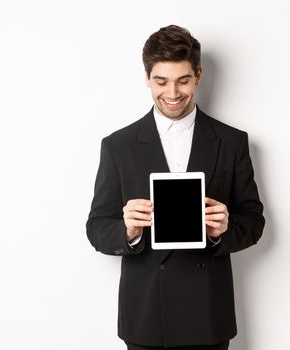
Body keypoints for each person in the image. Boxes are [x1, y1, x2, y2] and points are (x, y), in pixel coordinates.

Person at [86, 25, 265, 350]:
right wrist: (127, 230)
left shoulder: (232, 141)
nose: (172, 92)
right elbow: (96, 228)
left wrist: (223, 230)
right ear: (147, 77)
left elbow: (254, 221)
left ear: (198, 75)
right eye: (161, 81)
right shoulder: (118, 146)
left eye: (182, 80)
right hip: (146, 316)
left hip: (208, 314)